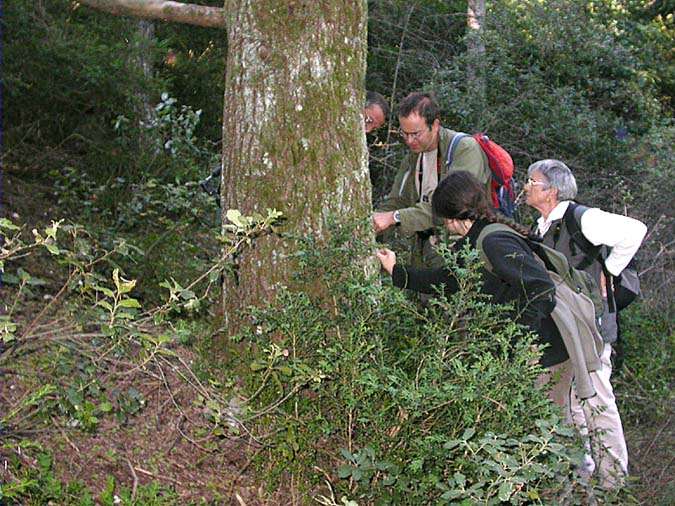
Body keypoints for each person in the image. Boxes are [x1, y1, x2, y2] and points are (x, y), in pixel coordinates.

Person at [525, 159, 647, 488]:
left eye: (532, 181)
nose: (526, 187)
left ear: (551, 190)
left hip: (590, 326)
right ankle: (583, 472)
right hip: (565, 329)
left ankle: (612, 483)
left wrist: (610, 270)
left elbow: (635, 231)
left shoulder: (581, 218)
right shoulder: (542, 226)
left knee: (597, 399)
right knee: (571, 400)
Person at [376, 171, 570, 372]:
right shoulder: (474, 241)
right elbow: (448, 280)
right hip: (524, 350)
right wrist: (396, 270)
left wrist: (522, 339)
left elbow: (541, 288)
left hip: (543, 353)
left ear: (451, 217)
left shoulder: (493, 242)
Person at [372, 92, 490, 268]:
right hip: (428, 251)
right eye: (405, 134)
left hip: (464, 251)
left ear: (434, 125)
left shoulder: (464, 150)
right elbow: (397, 200)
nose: (410, 141)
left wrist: (395, 217)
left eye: (416, 134)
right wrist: (373, 221)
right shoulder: (414, 157)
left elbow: (451, 207)